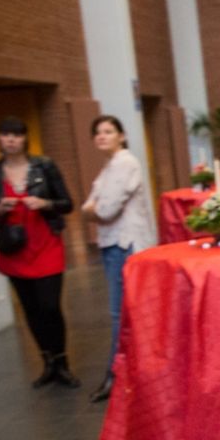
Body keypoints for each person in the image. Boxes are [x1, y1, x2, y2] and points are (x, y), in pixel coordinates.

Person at [0, 116, 80, 388]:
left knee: (50, 306)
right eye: (5, 134)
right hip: (13, 249)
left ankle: (62, 361)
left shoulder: (44, 166)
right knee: (31, 309)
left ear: (25, 139)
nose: (11, 140)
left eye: (16, 135)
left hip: (45, 244)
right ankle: (47, 361)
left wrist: (45, 202)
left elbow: (66, 204)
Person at [81, 115, 156, 403]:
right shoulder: (109, 167)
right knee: (124, 313)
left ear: (121, 136)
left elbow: (104, 209)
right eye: (97, 132)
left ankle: (116, 376)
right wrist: (92, 207)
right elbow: (91, 203)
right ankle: (127, 373)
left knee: (120, 314)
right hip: (113, 243)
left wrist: (91, 209)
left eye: (108, 131)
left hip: (125, 245)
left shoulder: (125, 163)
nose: (102, 136)